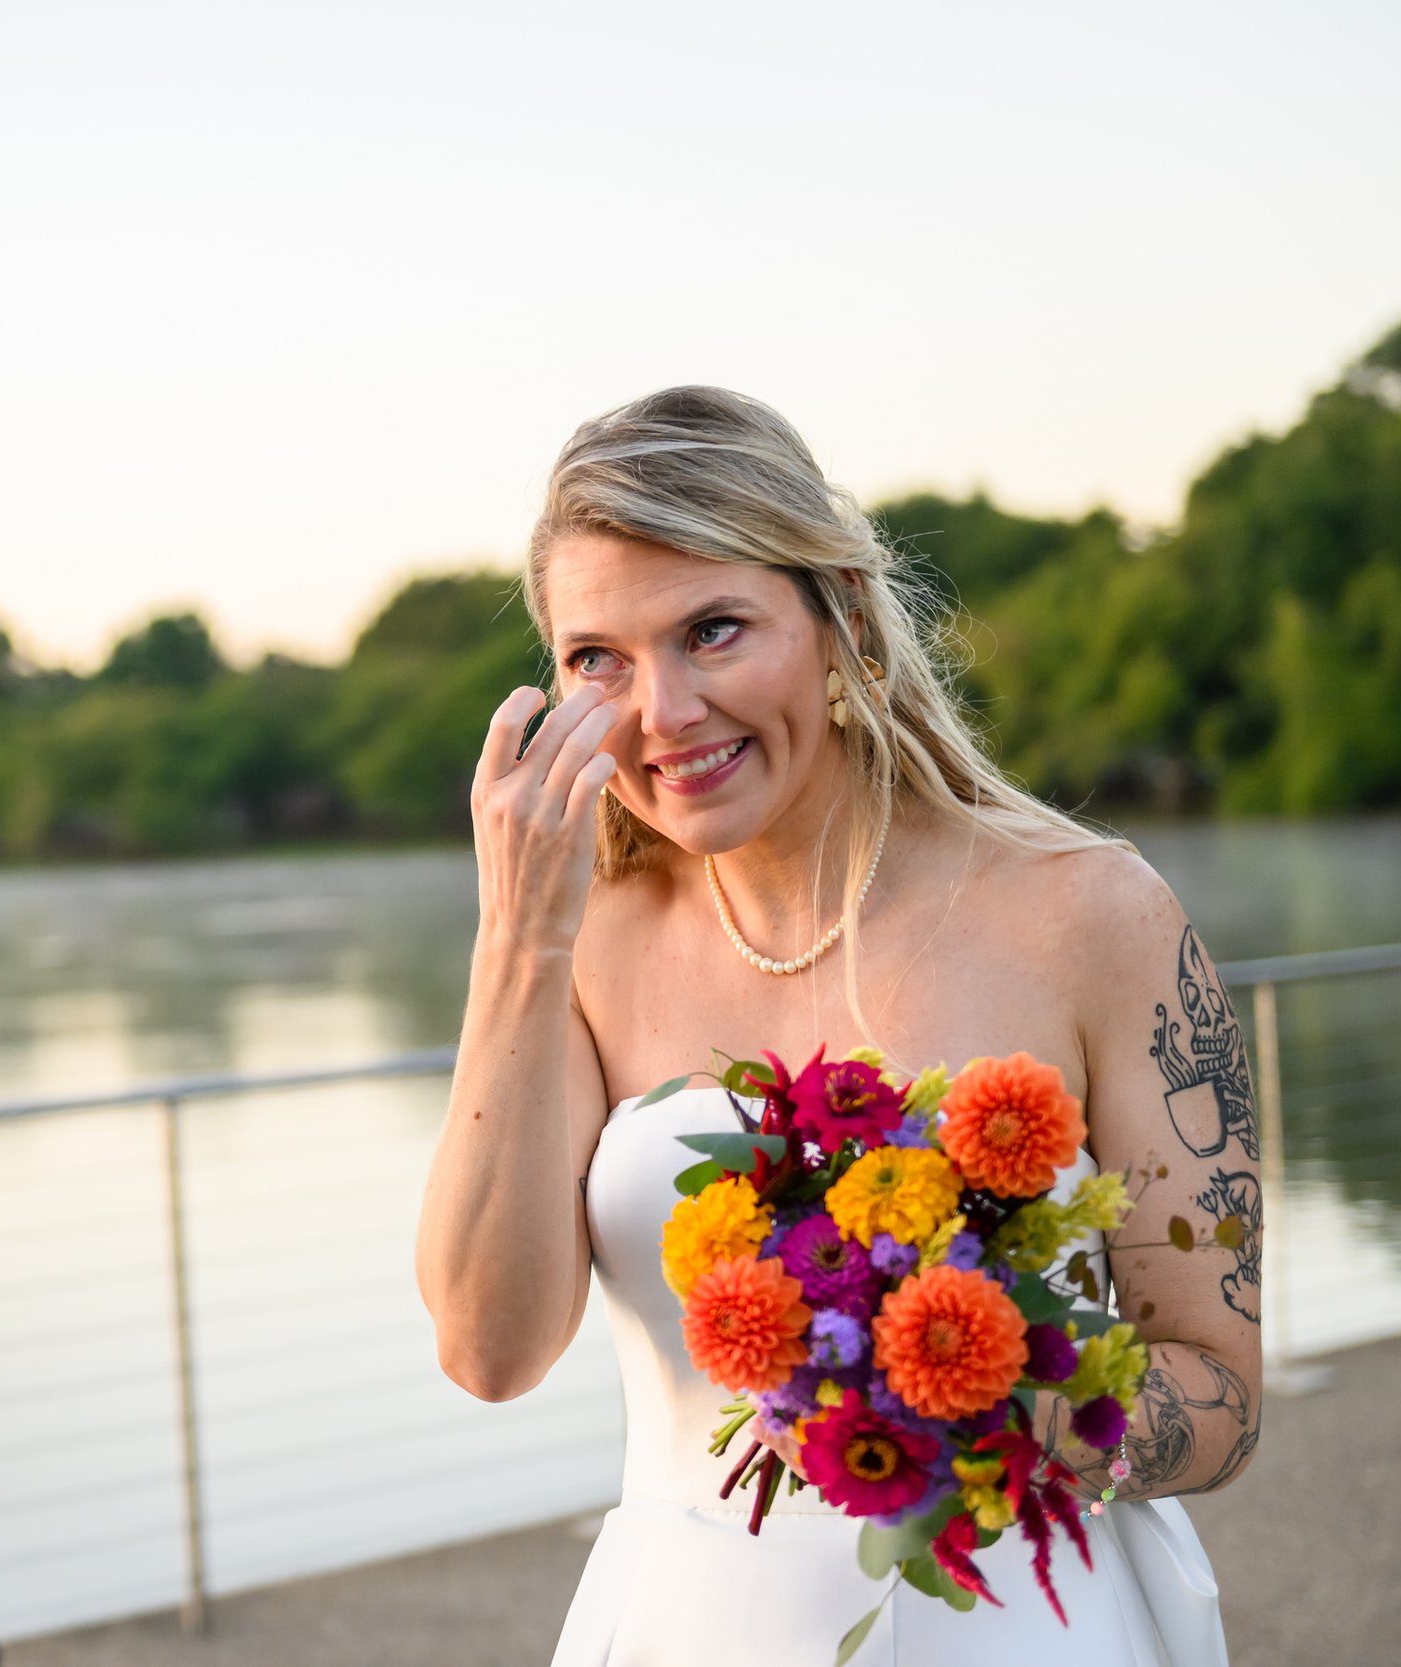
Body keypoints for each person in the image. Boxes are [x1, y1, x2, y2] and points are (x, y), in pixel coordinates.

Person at [415, 387, 1254, 1664]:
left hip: (1027, 1627)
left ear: (841, 620)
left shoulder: (1090, 912)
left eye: (712, 630)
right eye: (599, 658)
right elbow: (488, 1348)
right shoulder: (583, 943)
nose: (664, 712)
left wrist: (1017, 1414)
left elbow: (1224, 1388)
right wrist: (517, 942)